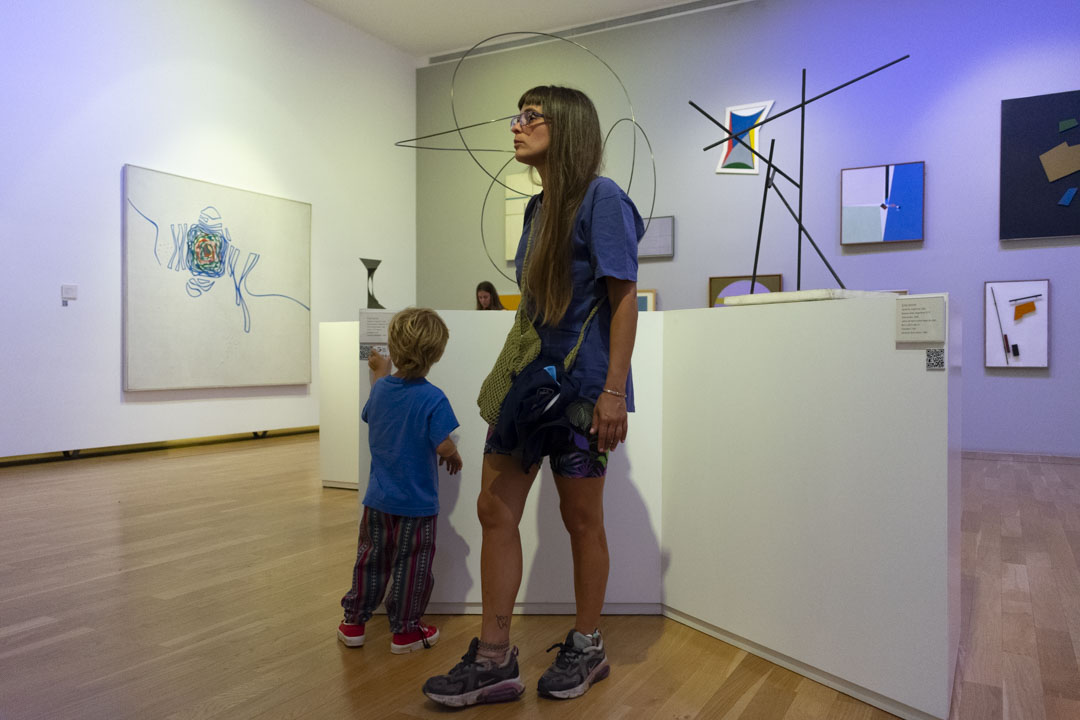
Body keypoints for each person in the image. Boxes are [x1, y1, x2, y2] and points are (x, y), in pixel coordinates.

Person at [423, 86, 643, 706]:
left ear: (565, 127)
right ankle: (494, 658)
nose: (515, 128)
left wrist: (613, 393)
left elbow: (624, 300)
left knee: (580, 520)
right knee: (494, 510)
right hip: (531, 385)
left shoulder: (603, 200)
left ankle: (588, 644)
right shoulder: (537, 208)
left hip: (582, 391)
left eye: (529, 117)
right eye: (515, 117)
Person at [337, 307, 463, 654]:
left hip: (377, 502)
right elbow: (442, 442)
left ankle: (354, 622)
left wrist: (380, 372)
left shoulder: (380, 391)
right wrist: (452, 454)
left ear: (394, 344)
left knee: (370, 559)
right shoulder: (433, 397)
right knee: (412, 564)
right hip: (417, 506)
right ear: (436, 354)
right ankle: (406, 631)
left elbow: (374, 405)